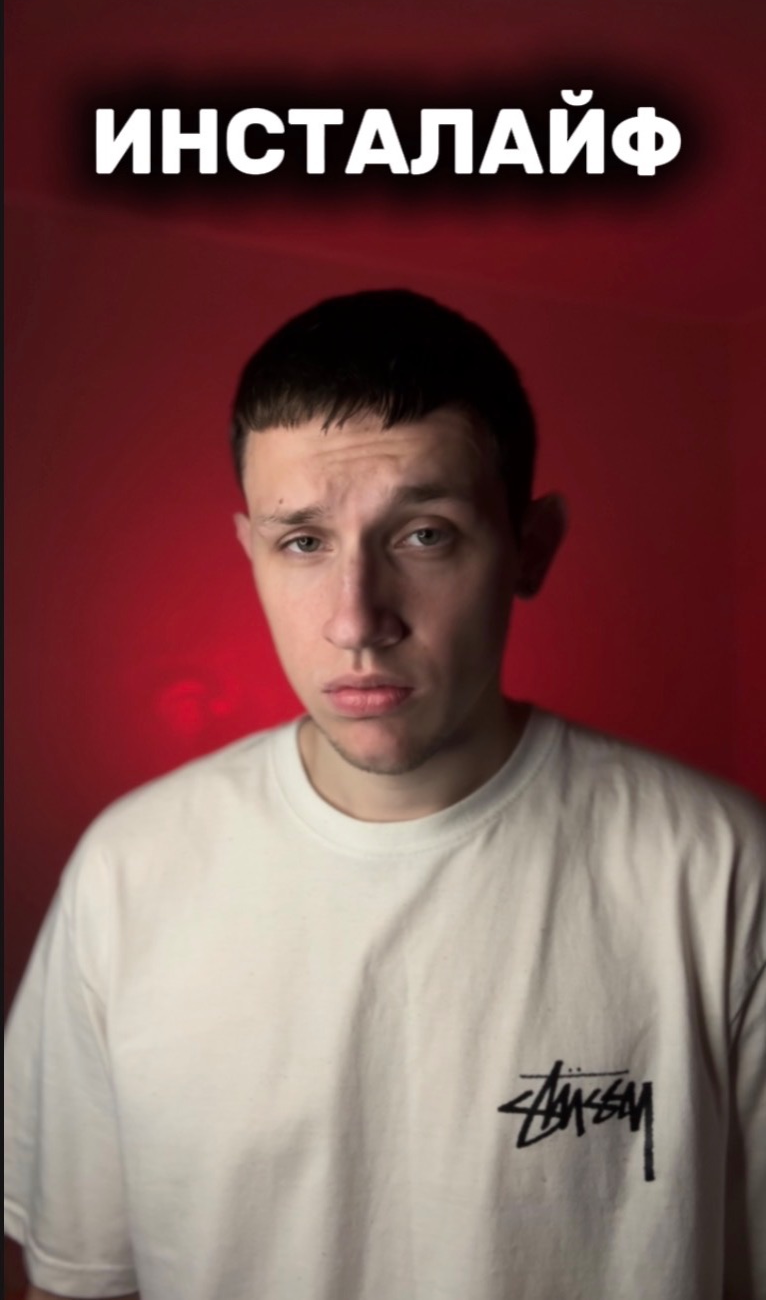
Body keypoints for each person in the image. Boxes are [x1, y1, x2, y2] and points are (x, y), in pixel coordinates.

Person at [4, 289, 764, 1300]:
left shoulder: (720, 871)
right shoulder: (129, 871)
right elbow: (77, 1282)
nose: (357, 620)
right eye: (303, 542)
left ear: (530, 547)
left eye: (425, 535)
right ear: (251, 552)